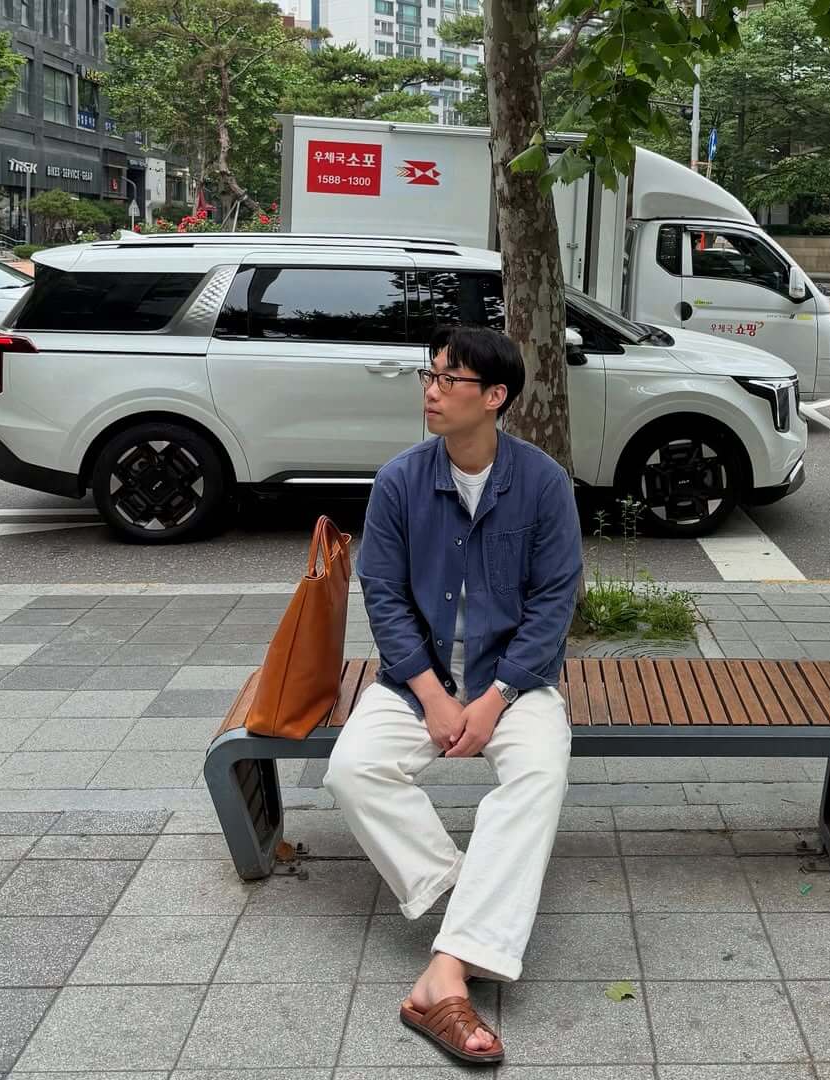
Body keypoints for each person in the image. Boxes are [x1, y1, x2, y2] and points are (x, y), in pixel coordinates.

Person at [323, 325, 584, 1065]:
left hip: (515, 682)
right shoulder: (402, 479)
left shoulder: (542, 484)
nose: (431, 391)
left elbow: (553, 603)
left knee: (537, 773)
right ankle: (476, 898)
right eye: (428, 375)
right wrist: (434, 696)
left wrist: (497, 695)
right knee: (352, 770)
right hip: (419, 682)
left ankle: (446, 972)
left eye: (450, 379)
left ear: (494, 397)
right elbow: (386, 599)